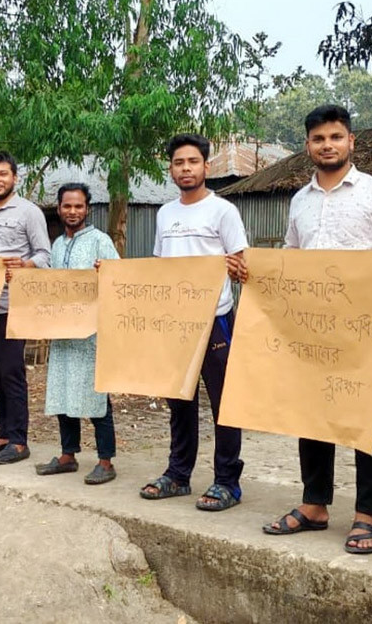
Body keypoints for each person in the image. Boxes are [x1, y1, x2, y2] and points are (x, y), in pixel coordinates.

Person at [233, 105, 372, 554]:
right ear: (308, 146)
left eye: (336, 137)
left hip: (361, 326)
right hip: (309, 325)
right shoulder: (300, 200)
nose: (327, 145)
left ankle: (366, 515)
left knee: (367, 416)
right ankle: (315, 504)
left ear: (352, 141)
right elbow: (291, 259)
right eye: (318, 139)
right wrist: (254, 272)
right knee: (311, 408)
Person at [138, 134, 247, 511]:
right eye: (179, 163)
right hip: (175, 323)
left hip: (215, 320)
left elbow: (241, 266)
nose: (186, 168)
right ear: (170, 168)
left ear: (207, 166)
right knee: (179, 402)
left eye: (193, 162)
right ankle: (178, 474)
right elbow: (160, 266)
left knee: (225, 404)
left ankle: (227, 482)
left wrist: (236, 268)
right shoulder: (165, 213)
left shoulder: (223, 212)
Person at [0, 151, 51, 465]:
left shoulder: (29, 213)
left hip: (13, 306)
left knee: (11, 372)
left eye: (2, 174)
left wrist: (27, 264)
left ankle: (18, 440)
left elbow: (45, 254)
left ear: (15, 178)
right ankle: (2, 434)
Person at [34, 183, 120, 484]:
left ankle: (106, 460)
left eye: (78, 206)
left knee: (95, 397)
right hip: (63, 336)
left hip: (91, 336)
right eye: (67, 206)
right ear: (59, 208)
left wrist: (106, 271)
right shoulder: (57, 245)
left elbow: (119, 280)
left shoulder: (100, 241)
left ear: (88, 209)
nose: (72, 211)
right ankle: (68, 455)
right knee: (62, 392)